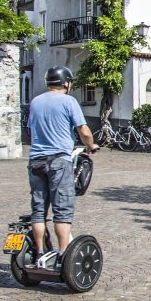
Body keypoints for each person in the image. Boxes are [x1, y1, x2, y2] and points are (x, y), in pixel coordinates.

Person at [26, 66, 98, 269]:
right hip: (59, 159)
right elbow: (83, 131)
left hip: (36, 160)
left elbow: (30, 131)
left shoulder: (36, 102)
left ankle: (39, 253)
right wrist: (91, 146)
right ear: (66, 82)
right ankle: (64, 255)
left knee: (38, 210)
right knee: (62, 209)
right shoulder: (69, 101)